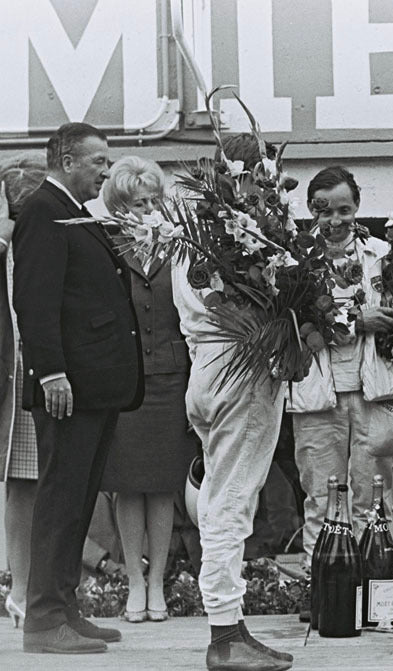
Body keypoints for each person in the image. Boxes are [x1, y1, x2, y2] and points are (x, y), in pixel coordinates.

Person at [13, 123, 143, 654]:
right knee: (61, 500)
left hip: (93, 387)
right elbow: (34, 302)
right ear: (68, 160)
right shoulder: (43, 211)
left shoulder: (69, 210)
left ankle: (64, 608)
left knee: (78, 500)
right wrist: (51, 374)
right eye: (98, 162)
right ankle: (44, 620)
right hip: (70, 387)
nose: (106, 172)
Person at [173, 133, 291, 670]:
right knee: (231, 504)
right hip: (240, 373)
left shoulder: (184, 231)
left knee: (223, 496)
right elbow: (267, 297)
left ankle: (232, 626)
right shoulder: (234, 231)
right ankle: (224, 636)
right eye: (260, 173)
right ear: (242, 173)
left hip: (205, 371)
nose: (265, 184)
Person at [285, 165, 393, 622]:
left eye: (345, 209)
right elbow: (296, 325)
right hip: (316, 392)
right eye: (326, 211)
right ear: (311, 210)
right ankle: (321, 591)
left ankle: (377, 592)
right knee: (322, 497)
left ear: (358, 206)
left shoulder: (384, 253)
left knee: (371, 498)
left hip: (375, 389)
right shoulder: (293, 261)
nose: (336, 220)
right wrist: (358, 322)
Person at [99, 156, 198, 623]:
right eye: (139, 202)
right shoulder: (106, 243)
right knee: (125, 485)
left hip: (170, 378)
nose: (149, 209)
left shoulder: (179, 246)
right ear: (120, 205)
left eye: (154, 200)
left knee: (162, 486)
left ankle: (157, 581)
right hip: (123, 379)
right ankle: (134, 583)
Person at [1, 153, 48, 629]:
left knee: (36, 483)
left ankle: (34, 589)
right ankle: (20, 588)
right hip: (14, 374)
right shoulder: (7, 243)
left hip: (39, 370)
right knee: (20, 485)